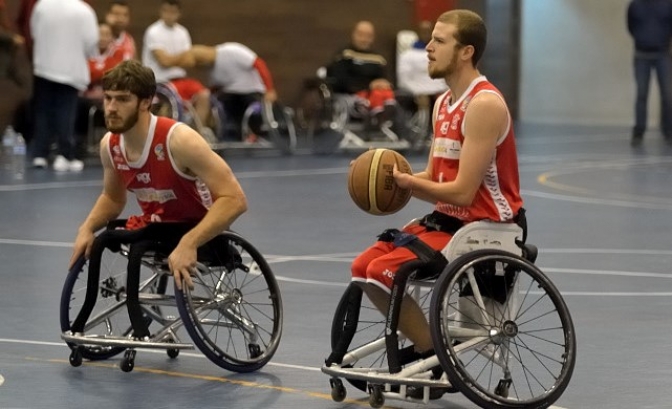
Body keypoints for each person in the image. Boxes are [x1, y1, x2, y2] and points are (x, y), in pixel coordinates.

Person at [349, 9, 523, 398]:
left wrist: (410, 186)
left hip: (487, 225)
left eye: (439, 41)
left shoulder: (484, 105)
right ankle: (433, 352)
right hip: (448, 220)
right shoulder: (444, 103)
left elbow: (463, 192)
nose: (428, 47)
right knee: (364, 268)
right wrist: (388, 176)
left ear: (465, 52)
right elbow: (435, 176)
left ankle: (436, 359)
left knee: (384, 272)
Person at [69, 59, 247, 290]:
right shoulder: (110, 146)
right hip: (159, 229)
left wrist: (189, 242)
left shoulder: (180, 140)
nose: (111, 108)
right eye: (108, 98)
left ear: (146, 102)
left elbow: (235, 200)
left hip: (200, 229)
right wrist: (86, 228)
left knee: (136, 250)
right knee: (107, 239)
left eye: (122, 99)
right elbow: (113, 198)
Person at [30, 0, 98, 171]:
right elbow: (92, 43)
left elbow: (34, 32)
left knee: (43, 112)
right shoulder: (84, 11)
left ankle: (40, 154)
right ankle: (64, 154)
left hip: (43, 67)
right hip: (69, 70)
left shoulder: (41, 5)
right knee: (65, 113)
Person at [141, 0, 212, 134]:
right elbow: (164, 61)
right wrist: (180, 58)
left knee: (204, 94)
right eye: (166, 11)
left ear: (178, 14)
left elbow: (190, 61)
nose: (169, 15)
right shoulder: (153, 31)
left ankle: (197, 133)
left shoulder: (183, 32)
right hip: (161, 82)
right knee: (174, 97)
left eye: (173, 12)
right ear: (161, 11)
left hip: (181, 79)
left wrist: (171, 58)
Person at [190, 42, 278, 139]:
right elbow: (216, 87)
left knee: (244, 105)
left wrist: (269, 89)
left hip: (251, 90)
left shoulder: (231, 51)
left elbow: (258, 64)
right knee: (220, 105)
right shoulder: (209, 69)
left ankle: (256, 131)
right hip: (230, 94)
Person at [326, 20, 396, 128]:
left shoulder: (378, 58)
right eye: (361, 34)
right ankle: (375, 120)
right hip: (352, 95)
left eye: (368, 36)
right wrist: (368, 86)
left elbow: (386, 78)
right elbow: (340, 81)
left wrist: (383, 82)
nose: (364, 39)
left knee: (391, 99)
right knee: (368, 101)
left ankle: (407, 136)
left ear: (373, 38)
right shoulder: (345, 55)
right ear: (354, 35)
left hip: (378, 94)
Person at [627, 0, 672, 146]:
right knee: (641, 95)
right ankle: (638, 132)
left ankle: (668, 131)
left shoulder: (668, 4)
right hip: (641, 55)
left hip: (663, 54)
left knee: (667, 95)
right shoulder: (635, 5)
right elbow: (631, 26)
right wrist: (641, 39)